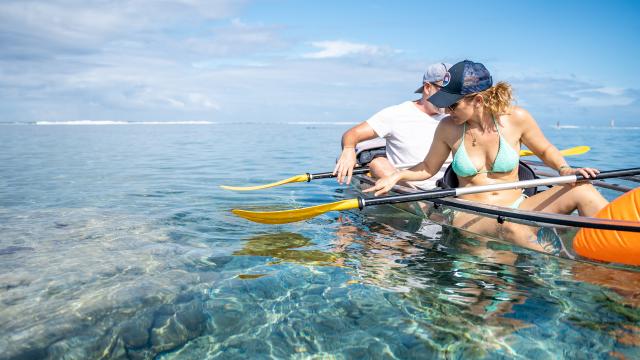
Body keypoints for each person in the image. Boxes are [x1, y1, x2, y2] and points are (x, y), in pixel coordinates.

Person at [365, 60, 609, 252]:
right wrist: (396, 176)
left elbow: (545, 150)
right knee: (515, 228)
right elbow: (428, 168)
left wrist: (565, 170)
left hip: (518, 206)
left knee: (584, 190)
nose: (446, 110)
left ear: (478, 99)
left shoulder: (517, 118)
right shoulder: (448, 127)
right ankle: (575, 272)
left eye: (452, 105)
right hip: (471, 212)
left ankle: (614, 252)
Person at [333, 62, 451, 189]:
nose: (451, 97)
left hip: (450, 186)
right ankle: (421, 205)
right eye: (446, 90)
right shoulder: (396, 114)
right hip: (411, 188)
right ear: (428, 88)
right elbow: (352, 134)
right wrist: (349, 148)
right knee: (378, 164)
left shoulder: (458, 114)